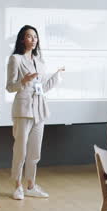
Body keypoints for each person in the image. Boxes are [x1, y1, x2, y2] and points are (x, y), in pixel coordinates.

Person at [6, 25, 64, 200]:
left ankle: (31, 185)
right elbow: (9, 87)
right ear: (22, 39)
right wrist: (23, 81)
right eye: (29, 36)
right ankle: (17, 186)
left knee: (35, 152)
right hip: (23, 110)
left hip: (39, 109)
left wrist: (56, 77)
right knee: (20, 151)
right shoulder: (15, 59)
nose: (34, 39)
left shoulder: (40, 62)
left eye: (35, 37)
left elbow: (42, 88)